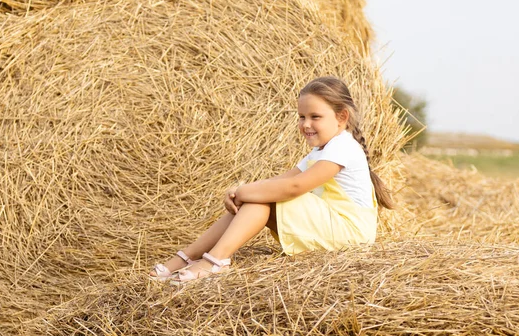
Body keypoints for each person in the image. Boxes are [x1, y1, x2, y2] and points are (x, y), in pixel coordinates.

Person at [150, 76, 393, 283]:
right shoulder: (322, 149)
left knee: (264, 199)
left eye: (315, 117)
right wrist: (239, 191)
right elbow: (282, 179)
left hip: (349, 234)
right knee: (260, 196)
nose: (306, 124)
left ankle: (216, 261)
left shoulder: (343, 148)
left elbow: (295, 186)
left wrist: (246, 193)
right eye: (301, 117)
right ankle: (187, 257)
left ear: (341, 117)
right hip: (333, 225)